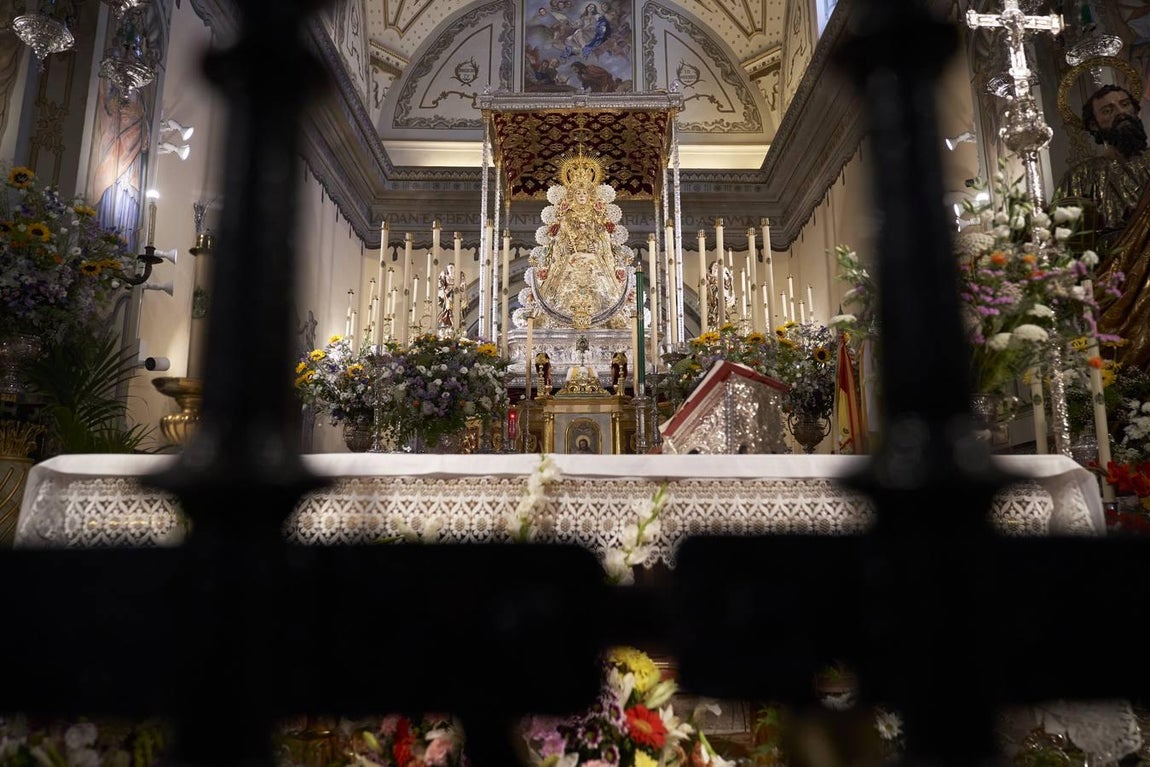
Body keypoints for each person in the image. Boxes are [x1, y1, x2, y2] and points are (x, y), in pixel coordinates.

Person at [1055, 83, 1150, 369]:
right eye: (1108, 110)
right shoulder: (1081, 176)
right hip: (1113, 283)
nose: (1120, 113)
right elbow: (1063, 242)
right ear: (1095, 124)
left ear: (1136, 109)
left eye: (1124, 105)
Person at [531, 154, 629, 329]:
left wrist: (595, 245)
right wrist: (566, 244)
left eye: (585, 192)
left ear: (590, 195)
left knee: (605, 290)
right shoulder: (566, 218)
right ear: (572, 195)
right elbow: (558, 242)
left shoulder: (597, 216)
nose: (582, 196)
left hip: (594, 261)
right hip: (570, 259)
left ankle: (609, 319)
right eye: (578, 193)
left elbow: (604, 239)